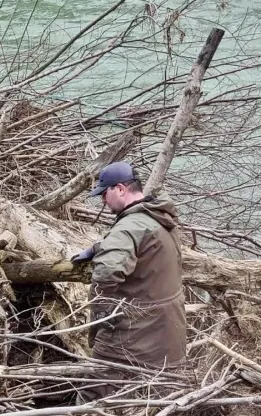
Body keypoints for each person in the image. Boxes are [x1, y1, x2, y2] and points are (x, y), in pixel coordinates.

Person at [71, 161, 187, 400]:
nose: (103, 200)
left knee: (94, 393)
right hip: (169, 331)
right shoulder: (158, 215)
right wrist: (99, 247)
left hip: (133, 335)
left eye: (105, 193)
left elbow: (106, 275)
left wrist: (104, 318)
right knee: (158, 394)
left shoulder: (127, 228)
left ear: (121, 189)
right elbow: (144, 243)